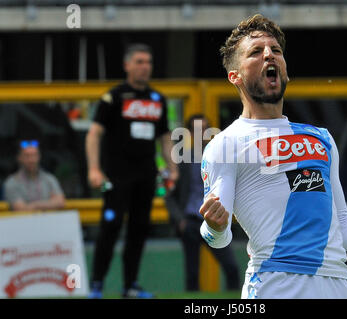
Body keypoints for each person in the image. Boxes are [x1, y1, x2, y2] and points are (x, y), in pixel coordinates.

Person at [198, 14, 347, 299]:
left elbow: (340, 219)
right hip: (276, 284)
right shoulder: (225, 144)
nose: (269, 55)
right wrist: (214, 224)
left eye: (276, 51)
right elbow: (217, 237)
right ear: (234, 76)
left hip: (338, 284)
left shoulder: (320, 137)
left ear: (285, 70)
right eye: (255, 52)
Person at [85, 43, 178, 299]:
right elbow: (94, 134)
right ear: (127, 65)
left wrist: (172, 168)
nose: (144, 66)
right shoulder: (113, 97)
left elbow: (165, 137)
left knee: (139, 228)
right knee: (110, 227)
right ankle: (97, 284)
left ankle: (130, 286)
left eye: (148, 62)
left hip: (146, 176)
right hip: (115, 176)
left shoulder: (157, 99)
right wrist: (94, 169)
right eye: (139, 61)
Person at [165, 114, 240, 291]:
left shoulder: (220, 158)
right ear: (190, 132)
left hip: (214, 220)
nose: (202, 133)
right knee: (192, 274)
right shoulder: (181, 159)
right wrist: (180, 220)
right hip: (190, 221)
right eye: (197, 130)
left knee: (231, 267)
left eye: (205, 129)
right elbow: (169, 195)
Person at [4, 140, 65, 212]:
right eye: (27, 156)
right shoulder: (12, 182)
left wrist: (33, 205)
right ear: (19, 158)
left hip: (49, 222)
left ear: (39, 157)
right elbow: (21, 209)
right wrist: (50, 203)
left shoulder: (49, 179)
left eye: (34, 155)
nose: (31, 160)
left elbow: (60, 202)